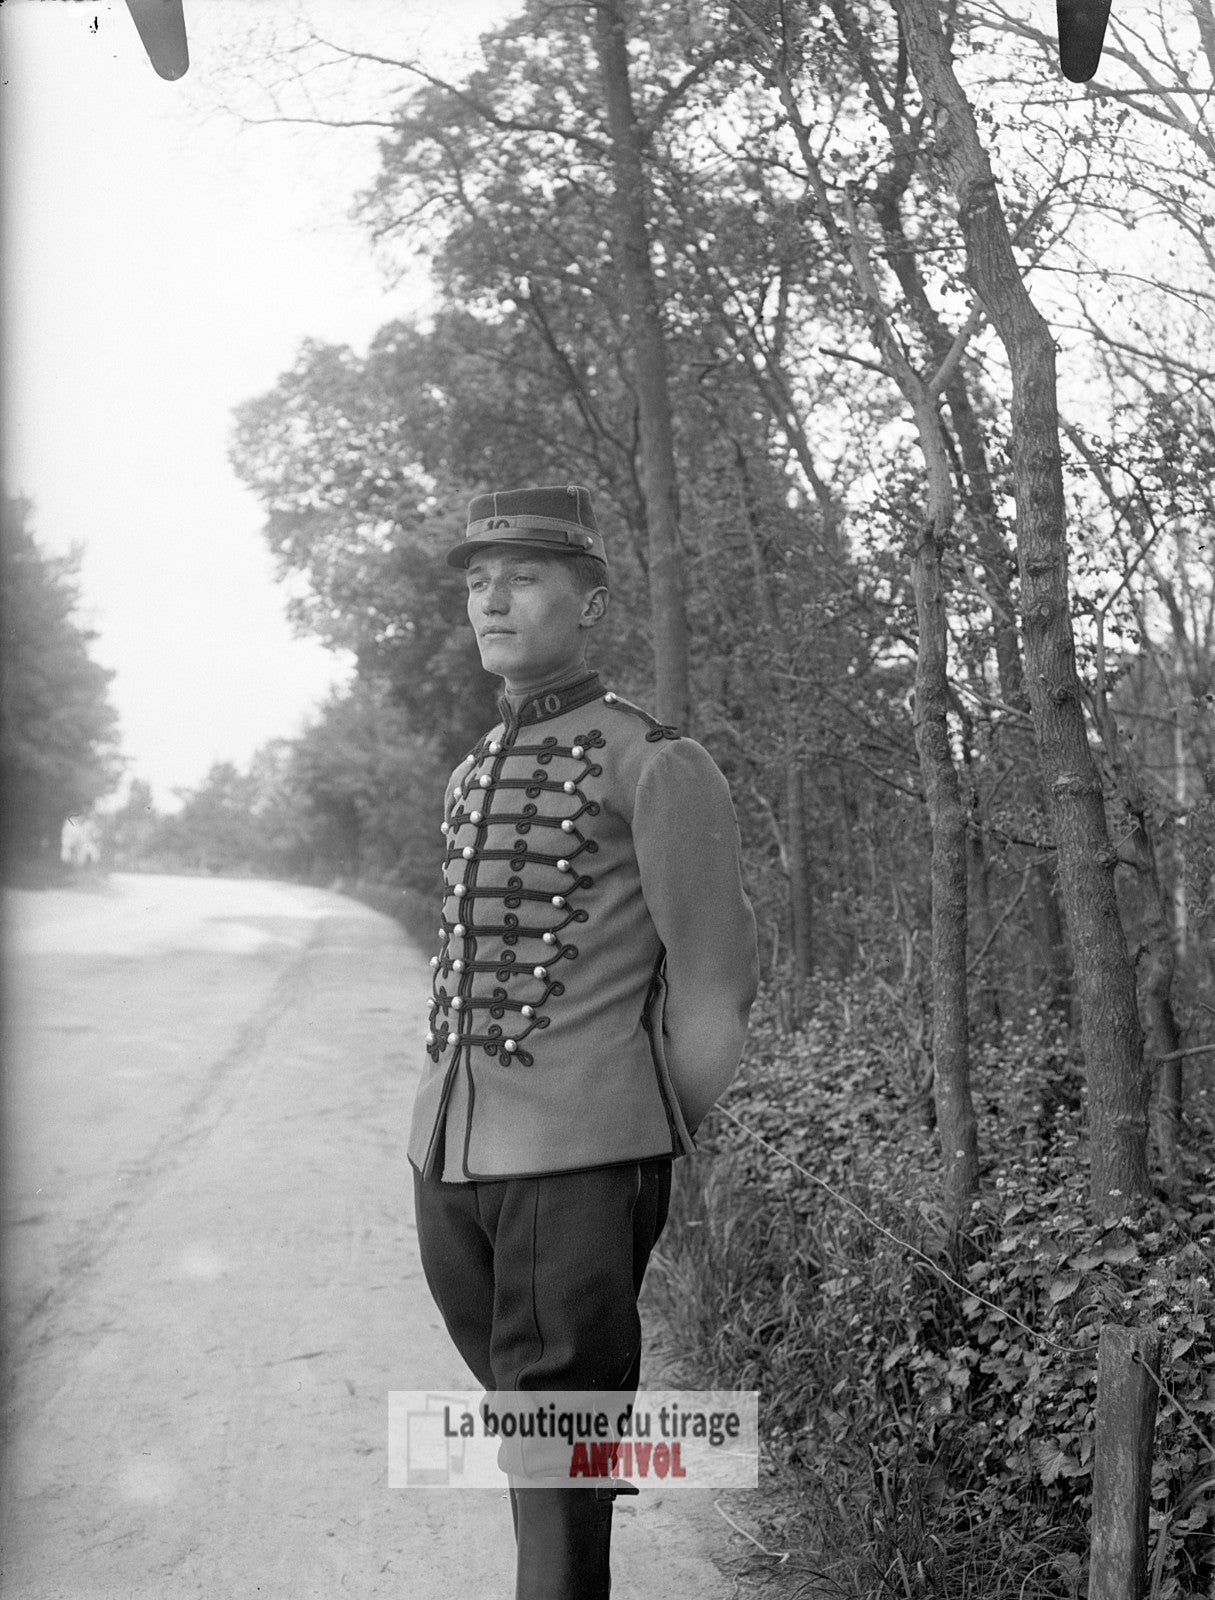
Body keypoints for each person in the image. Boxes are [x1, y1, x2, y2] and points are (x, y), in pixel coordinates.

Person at [408, 484, 759, 1598]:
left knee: (553, 1444)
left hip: (579, 1160)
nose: (491, 600)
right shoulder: (472, 770)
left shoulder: (653, 760)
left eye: (522, 577)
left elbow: (715, 986)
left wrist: (638, 1151)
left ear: (590, 602)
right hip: (452, 1158)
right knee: (539, 1429)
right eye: (476, 580)